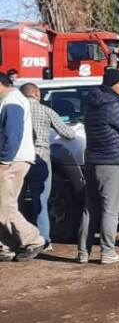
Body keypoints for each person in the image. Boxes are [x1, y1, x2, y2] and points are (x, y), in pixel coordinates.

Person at [76, 68, 119, 264]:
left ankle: (83, 252)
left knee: (90, 209)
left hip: (92, 160)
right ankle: (108, 252)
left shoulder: (91, 103)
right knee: (111, 209)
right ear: (113, 85)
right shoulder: (111, 105)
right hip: (112, 162)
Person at [19, 82, 76, 252]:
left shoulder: (16, 110)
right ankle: (44, 240)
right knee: (41, 201)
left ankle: (20, 239)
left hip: (19, 160)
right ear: (37, 94)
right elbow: (68, 134)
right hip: (41, 158)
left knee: (16, 202)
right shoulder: (46, 110)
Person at [0, 71, 44, 262]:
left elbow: (13, 133)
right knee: (5, 205)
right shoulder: (13, 99)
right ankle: (7, 246)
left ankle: (33, 239)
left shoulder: (11, 101)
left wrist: (4, 159)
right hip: (16, 159)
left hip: (12, 160)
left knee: (4, 206)